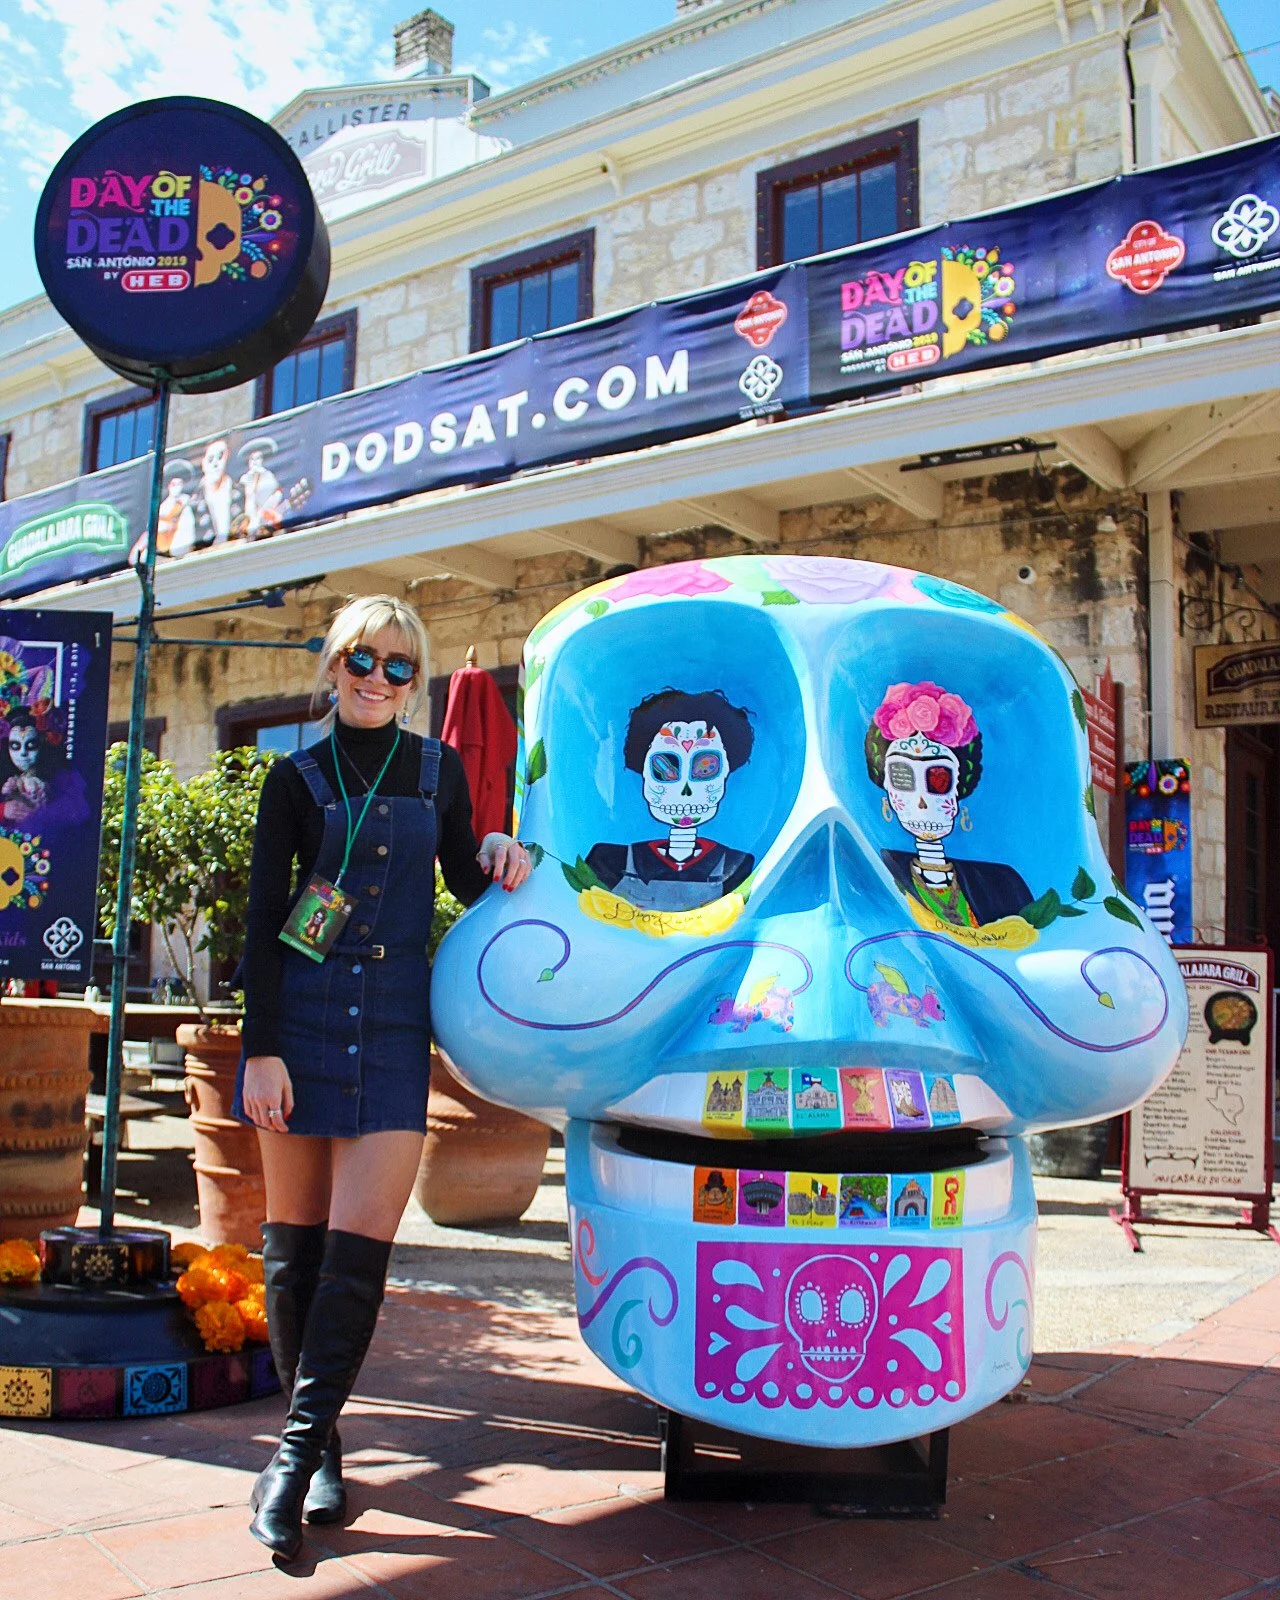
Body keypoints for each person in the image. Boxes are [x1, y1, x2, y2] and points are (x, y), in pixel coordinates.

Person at [233, 594, 530, 1561]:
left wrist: (496, 849)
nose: (377, 679)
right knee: (294, 1252)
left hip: (396, 1023)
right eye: (362, 659)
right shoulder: (294, 777)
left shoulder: (438, 770)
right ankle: (319, 1450)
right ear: (334, 666)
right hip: (302, 1020)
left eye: (399, 666)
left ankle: (289, 1461)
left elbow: (464, 879)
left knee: (357, 1258)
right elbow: (261, 924)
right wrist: (261, 1049)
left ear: (416, 680)